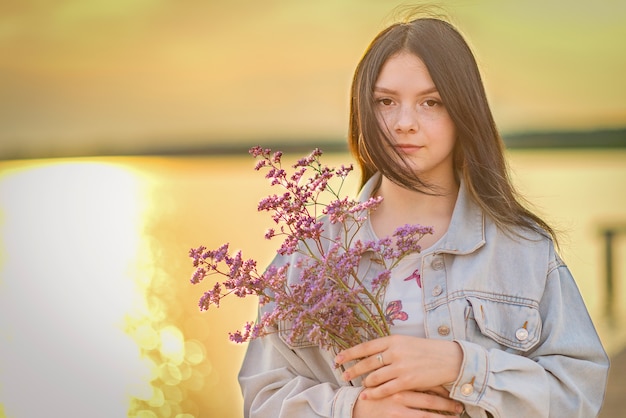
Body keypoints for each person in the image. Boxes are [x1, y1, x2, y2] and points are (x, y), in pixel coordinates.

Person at [238, 12, 609, 418]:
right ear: (363, 111)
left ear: (463, 113)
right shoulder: (308, 258)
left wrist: (461, 365)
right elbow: (262, 400)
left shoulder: (523, 249)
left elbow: (578, 395)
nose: (404, 124)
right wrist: (358, 410)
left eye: (431, 102)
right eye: (386, 102)